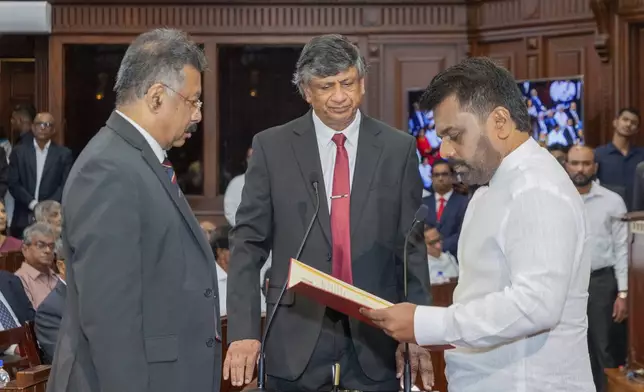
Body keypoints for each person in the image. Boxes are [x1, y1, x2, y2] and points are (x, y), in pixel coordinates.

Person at [362, 57, 594, 391]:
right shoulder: (495, 185)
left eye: (454, 135)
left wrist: (426, 322)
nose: (445, 150)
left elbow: (536, 306)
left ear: (499, 121)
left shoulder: (536, 189)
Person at [224, 34, 433, 392]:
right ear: (307, 91)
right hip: (294, 333)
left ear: (362, 84)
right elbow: (247, 244)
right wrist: (243, 332)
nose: (340, 96)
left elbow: (411, 250)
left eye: (347, 83)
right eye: (326, 86)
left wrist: (417, 330)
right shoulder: (272, 147)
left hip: (375, 334)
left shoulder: (398, 149)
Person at [46, 28, 222, 392]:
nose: (198, 116)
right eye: (193, 101)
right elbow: (110, 319)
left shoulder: (136, 160)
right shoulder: (109, 169)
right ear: (157, 97)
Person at [566, 145, 628, 391]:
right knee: (570, 349)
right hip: (566, 285)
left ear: (595, 166)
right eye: (575, 163)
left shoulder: (612, 201)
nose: (580, 169)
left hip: (601, 283)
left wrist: (623, 293)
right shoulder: (556, 199)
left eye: (586, 163)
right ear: (566, 165)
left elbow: (622, 249)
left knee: (603, 348)